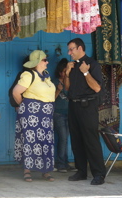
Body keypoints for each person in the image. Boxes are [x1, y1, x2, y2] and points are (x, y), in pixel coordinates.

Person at [64, 38, 106, 185]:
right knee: (76, 140)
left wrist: (86, 73)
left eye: (71, 49)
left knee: (91, 140)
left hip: (87, 107)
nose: (69, 53)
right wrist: (68, 73)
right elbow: (68, 88)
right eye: (69, 50)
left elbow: (97, 88)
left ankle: (99, 174)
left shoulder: (92, 64)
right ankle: (81, 171)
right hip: (73, 106)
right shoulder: (72, 66)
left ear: (80, 48)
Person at [13, 50, 56, 182]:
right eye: (44, 60)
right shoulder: (28, 75)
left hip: (46, 115)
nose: (47, 62)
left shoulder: (46, 75)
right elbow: (16, 92)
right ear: (37, 62)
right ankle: (27, 171)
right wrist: (25, 107)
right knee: (30, 140)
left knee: (46, 141)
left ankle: (46, 170)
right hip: (31, 114)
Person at [53, 58, 76, 173]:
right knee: (62, 138)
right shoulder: (54, 81)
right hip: (58, 113)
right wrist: (58, 90)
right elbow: (50, 99)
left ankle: (65, 163)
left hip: (69, 113)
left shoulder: (70, 81)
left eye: (65, 71)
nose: (63, 73)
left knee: (65, 139)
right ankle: (61, 164)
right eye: (61, 71)